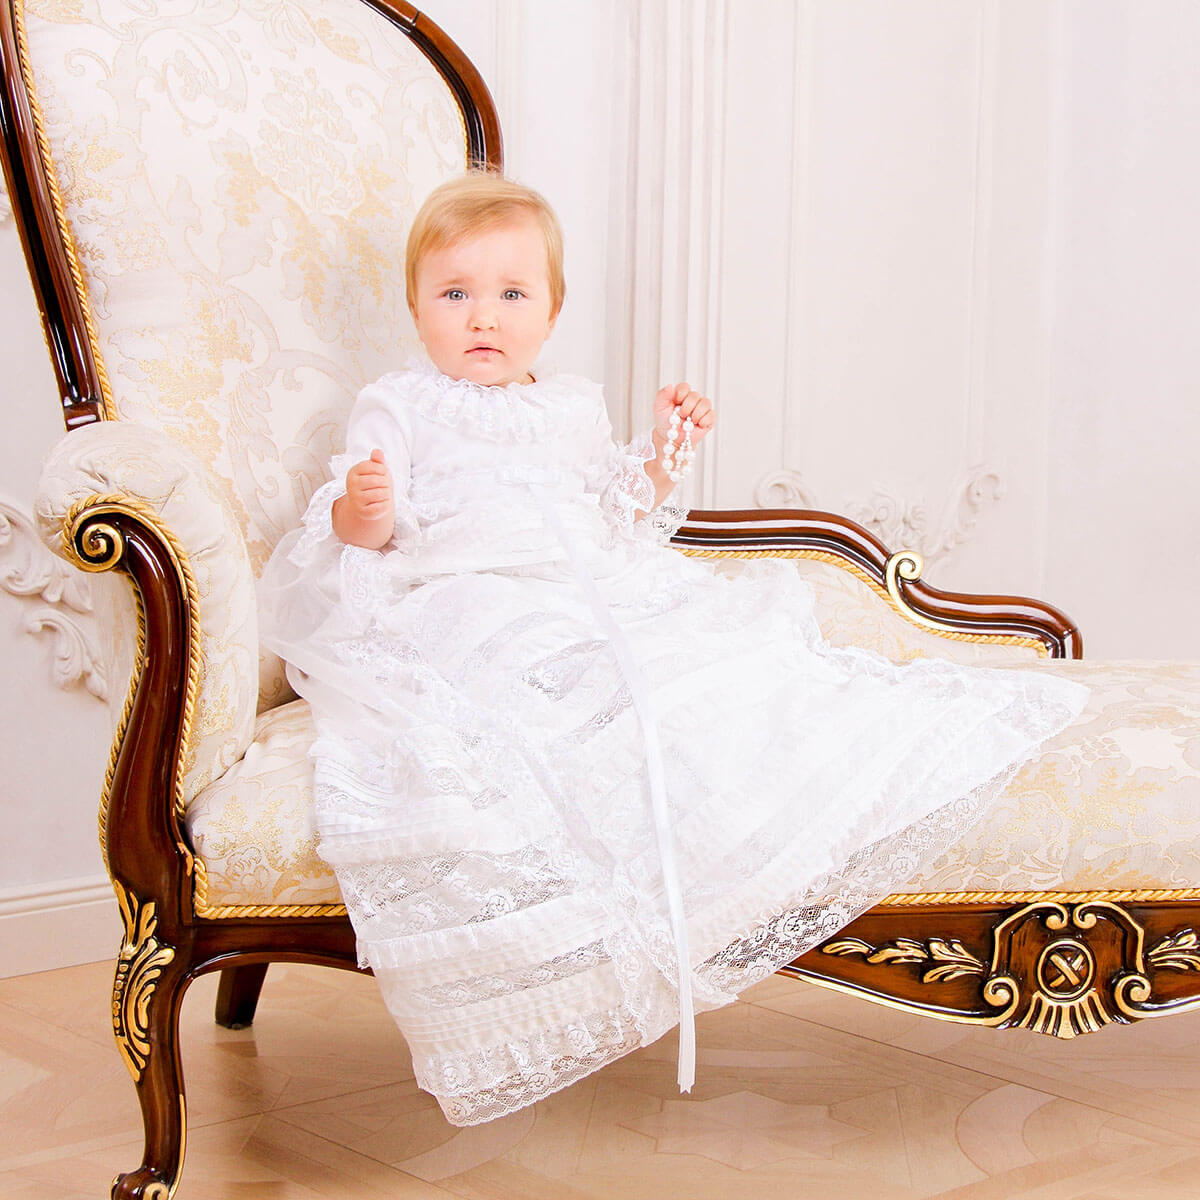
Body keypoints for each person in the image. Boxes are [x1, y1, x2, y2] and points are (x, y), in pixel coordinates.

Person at [259, 172, 1087, 1126]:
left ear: (554, 310)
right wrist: (366, 513)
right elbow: (366, 528)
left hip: (584, 586)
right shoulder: (399, 405)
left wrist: (661, 447)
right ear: (415, 308)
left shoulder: (568, 406)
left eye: (511, 294)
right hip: (465, 588)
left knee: (694, 665)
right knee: (521, 678)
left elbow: (617, 510)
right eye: (454, 294)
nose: (482, 316)